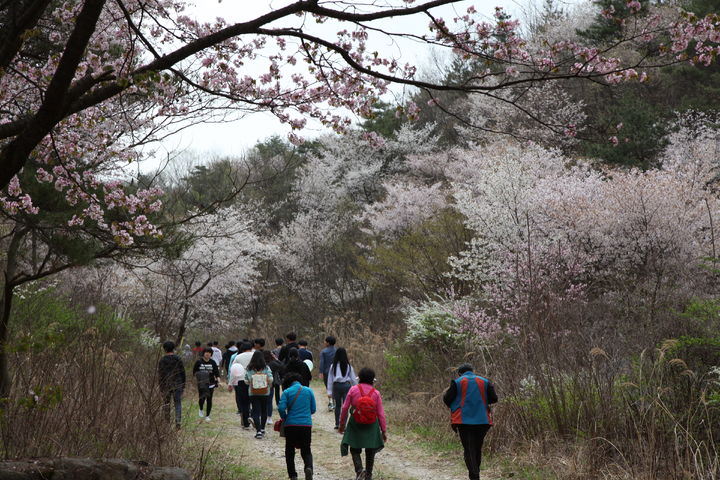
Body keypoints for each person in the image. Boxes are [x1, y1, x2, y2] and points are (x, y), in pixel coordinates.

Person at [443, 363, 498, 480]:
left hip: (464, 421)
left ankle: (474, 476)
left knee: (469, 449)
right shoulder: (485, 381)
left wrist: (456, 406)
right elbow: (494, 399)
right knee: (477, 448)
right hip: (483, 421)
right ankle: (475, 474)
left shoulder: (458, 382)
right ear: (472, 371)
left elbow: (447, 399)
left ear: (459, 373)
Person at [338, 368, 387, 480]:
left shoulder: (353, 390)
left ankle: (359, 471)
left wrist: (341, 424)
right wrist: (383, 430)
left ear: (359, 378)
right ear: (372, 380)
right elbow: (380, 414)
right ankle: (368, 475)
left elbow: (345, 408)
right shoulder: (376, 393)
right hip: (371, 424)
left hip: (355, 423)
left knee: (354, 448)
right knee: (371, 450)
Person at [278, 372, 316, 480]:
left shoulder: (287, 392)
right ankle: (308, 467)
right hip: (306, 425)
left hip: (291, 425)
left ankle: (293, 475)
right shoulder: (309, 391)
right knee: (306, 449)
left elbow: (281, 408)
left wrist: (285, 417)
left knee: (289, 450)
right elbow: (313, 409)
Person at [326, 347, 357, 429]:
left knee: (337, 405)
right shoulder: (349, 366)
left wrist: (329, 391)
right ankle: (343, 424)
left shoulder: (333, 366)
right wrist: (357, 388)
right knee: (346, 406)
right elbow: (353, 379)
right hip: (347, 386)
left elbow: (330, 379)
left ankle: (337, 423)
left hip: (336, 386)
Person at [245, 350, 273, 439]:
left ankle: (258, 431)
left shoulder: (249, 368)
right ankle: (263, 428)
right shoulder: (266, 368)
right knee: (264, 410)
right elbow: (271, 379)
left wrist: (251, 381)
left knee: (256, 411)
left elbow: (246, 380)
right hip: (265, 392)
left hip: (253, 392)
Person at [158, 340, 186, 428]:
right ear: (173, 348)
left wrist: (161, 386)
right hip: (177, 384)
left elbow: (161, 374)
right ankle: (178, 422)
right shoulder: (178, 358)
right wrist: (183, 384)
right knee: (178, 403)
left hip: (166, 384)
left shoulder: (162, 360)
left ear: (164, 349)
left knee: (166, 403)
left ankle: (167, 422)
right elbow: (183, 372)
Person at [228, 342, 255, 428]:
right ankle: (254, 417)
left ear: (242, 349)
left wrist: (230, 383)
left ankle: (246, 423)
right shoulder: (256, 355)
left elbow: (233, 370)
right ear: (251, 347)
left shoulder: (238, 357)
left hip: (241, 380)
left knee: (244, 402)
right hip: (254, 380)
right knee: (255, 400)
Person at [193, 347, 219, 421]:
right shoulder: (199, 362)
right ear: (203, 353)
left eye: (209, 352)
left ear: (211, 354)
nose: (208, 354)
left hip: (211, 383)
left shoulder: (213, 362)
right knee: (202, 398)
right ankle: (201, 409)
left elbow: (216, 372)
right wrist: (200, 376)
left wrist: (218, 378)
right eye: (206, 352)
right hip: (202, 383)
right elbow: (194, 372)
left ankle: (207, 415)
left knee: (209, 399)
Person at [265, 349, 284, 422]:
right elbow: (282, 366)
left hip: (260, 384)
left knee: (262, 401)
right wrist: (276, 358)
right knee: (269, 401)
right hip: (271, 384)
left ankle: (261, 415)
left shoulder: (261, 363)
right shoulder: (273, 363)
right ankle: (269, 418)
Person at [319, 336, 337, 410]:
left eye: (325, 341)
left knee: (328, 387)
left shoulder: (323, 351)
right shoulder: (337, 351)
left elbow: (322, 362)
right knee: (335, 387)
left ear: (328, 343)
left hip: (327, 372)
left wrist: (321, 372)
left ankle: (330, 403)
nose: (324, 343)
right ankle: (336, 402)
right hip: (336, 371)